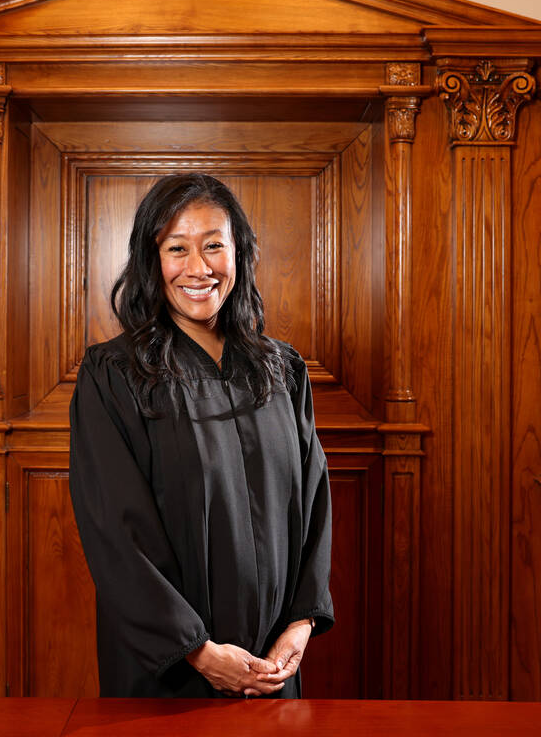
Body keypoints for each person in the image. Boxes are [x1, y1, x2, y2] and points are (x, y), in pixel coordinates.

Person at [69, 173, 334, 698]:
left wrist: (299, 627)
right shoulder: (114, 375)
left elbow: (314, 504)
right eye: (177, 249)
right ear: (152, 260)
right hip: (169, 671)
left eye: (214, 245)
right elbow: (116, 536)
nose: (199, 268)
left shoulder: (282, 370)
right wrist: (198, 652)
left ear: (239, 253)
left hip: (270, 667)